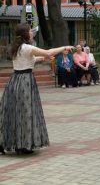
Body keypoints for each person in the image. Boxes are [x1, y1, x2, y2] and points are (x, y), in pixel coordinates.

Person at [0, 23, 74, 154]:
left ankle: (13, 143)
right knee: (26, 112)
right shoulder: (27, 47)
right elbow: (48, 51)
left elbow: (30, 59)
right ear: (25, 34)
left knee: (14, 112)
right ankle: (23, 145)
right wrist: (64, 47)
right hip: (25, 82)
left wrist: (43, 58)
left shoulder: (16, 47)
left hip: (15, 80)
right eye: (30, 31)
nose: (31, 33)